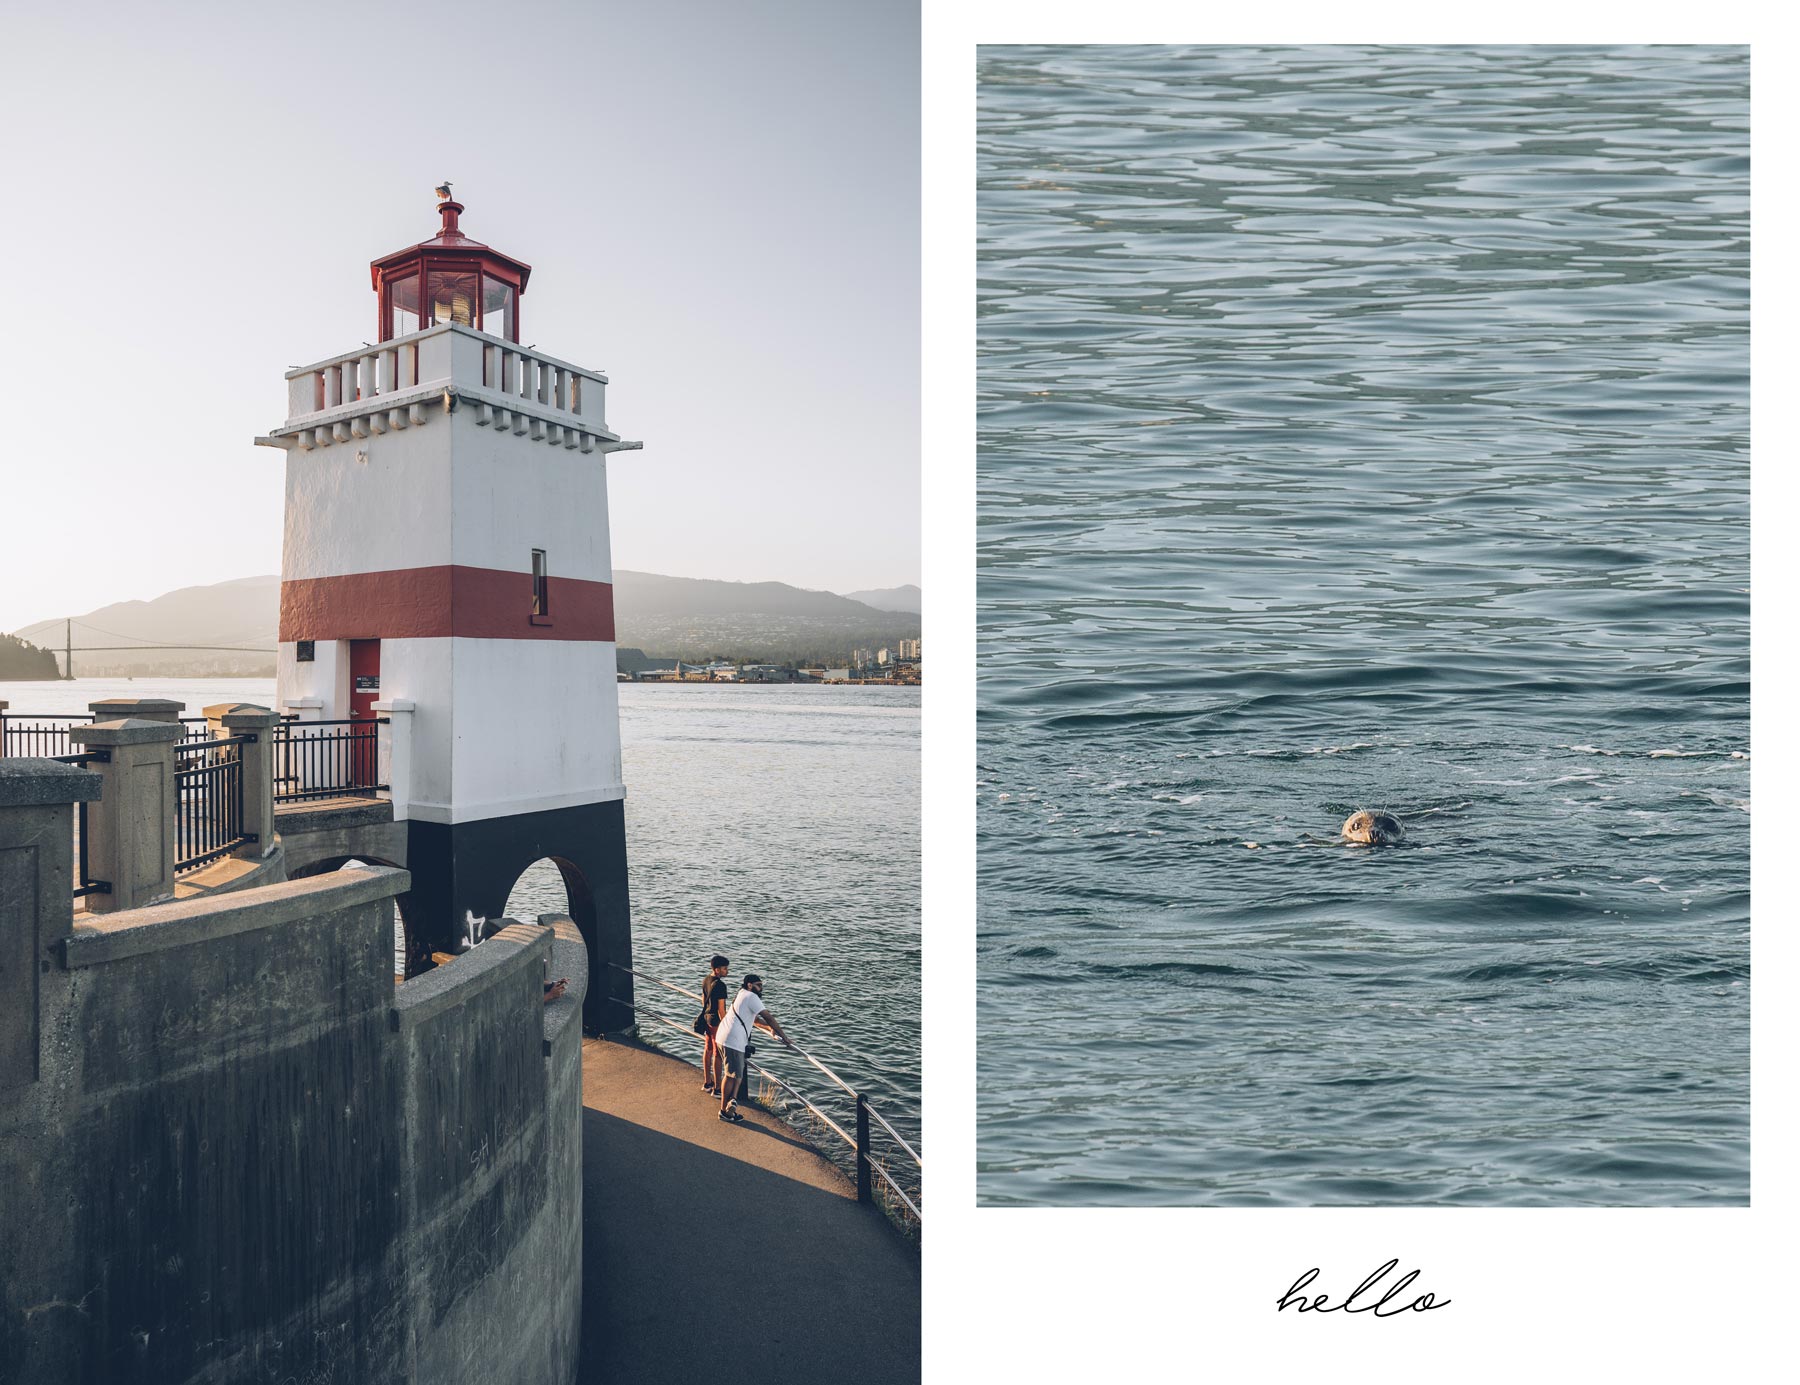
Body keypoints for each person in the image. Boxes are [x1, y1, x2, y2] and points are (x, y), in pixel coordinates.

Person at [714, 973, 792, 1123]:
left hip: (725, 1036)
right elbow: (768, 1017)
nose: (761, 988)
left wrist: (770, 1029)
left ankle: (732, 1102)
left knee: (735, 1074)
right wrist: (784, 1037)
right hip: (733, 1040)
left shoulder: (741, 994)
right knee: (730, 1076)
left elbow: (755, 1020)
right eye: (759, 985)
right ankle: (724, 1111)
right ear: (750, 985)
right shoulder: (751, 996)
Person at [699, 954, 731, 1094]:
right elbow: (721, 1010)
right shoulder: (721, 985)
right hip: (716, 1023)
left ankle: (707, 1082)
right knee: (718, 1054)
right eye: (724, 969)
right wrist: (727, 1026)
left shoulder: (706, 980)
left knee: (708, 1050)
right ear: (717, 970)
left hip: (706, 1019)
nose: (727, 971)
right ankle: (717, 1088)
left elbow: (703, 1000)